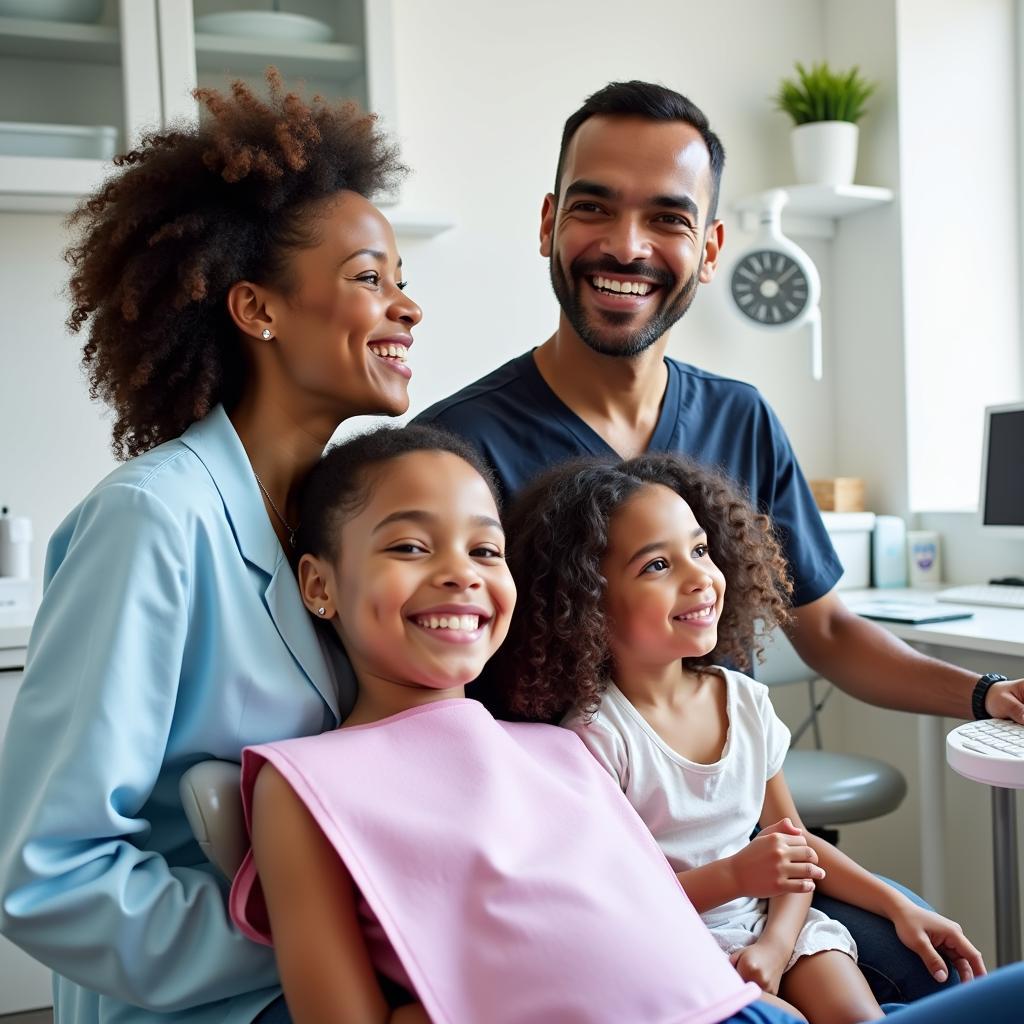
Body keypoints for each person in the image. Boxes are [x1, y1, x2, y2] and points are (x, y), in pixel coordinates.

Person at [412, 79, 1024, 1002]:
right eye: (594, 208)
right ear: (547, 224)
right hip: (592, 888)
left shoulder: (741, 421)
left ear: (708, 248)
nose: (625, 246)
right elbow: (426, 722)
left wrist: (987, 695)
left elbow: (827, 633)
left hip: (753, 878)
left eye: (666, 218)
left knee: (943, 963)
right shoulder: (456, 456)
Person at [0, 71, 421, 1024]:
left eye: (403, 281)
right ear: (256, 310)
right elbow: (46, 872)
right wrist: (316, 934)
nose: (407, 308)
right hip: (219, 1002)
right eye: (370, 280)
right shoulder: (153, 521)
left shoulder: (337, 519)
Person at [228, 424, 797, 1024]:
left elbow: (659, 931)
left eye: (484, 550)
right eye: (410, 547)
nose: (461, 574)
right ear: (319, 585)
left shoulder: (562, 749)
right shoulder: (304, 785)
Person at [494, 453, 990, 1023]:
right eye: (657, 565)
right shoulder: (595, 737)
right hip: (669, 946)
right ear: (588, 601)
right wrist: (736, 876)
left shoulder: (744, 702)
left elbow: (795, 849)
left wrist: (866, 917)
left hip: (774, 923)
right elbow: (615, 907)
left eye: (700, 550)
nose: (699, 576)